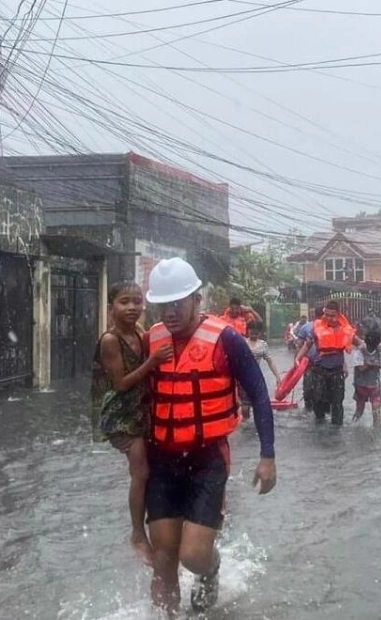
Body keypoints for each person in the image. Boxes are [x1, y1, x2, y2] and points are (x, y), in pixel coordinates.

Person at [144, 258, 276, 616]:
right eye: (163, 305)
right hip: (163, 459)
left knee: (193, 555)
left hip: (207, 458)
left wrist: (267, 456)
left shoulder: (226, 339)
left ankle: (212, 569)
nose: (170, 313)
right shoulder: (152, 338)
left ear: (196, 300)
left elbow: (260, 394)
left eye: (177, 303)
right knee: (164, 556)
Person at [91, 281, 174, 565]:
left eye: (137, 302)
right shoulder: (110, 340)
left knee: (150, 470)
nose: (132, 308)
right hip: (120, 415)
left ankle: (158, 521)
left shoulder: (140, 333)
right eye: (124, 302)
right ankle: (137, 534)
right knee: (140, 470)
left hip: (141, 411)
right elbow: (121, 382)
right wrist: (152, 362)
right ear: (110, 306)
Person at [295, 300, 358, 425]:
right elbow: (307, 345)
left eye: (332, 316)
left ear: (338, 314)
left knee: (337, 403)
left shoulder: (345, 330)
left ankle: (336, 434)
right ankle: (320, 433)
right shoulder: (316, 328)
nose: (329, 318)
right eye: (327, 315)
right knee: (318, 402)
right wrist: (298, 358)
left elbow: (359, 343)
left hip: (337, 371)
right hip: (319, 370)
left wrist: (374, 349)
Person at [240, 320, 281, 419]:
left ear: (260, 333)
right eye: (251, 333)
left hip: (256, 378)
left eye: (256, 333)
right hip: (243, 378)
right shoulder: (242, 343)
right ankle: (245, 425)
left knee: (258, 404)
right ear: (247, 331)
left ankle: (256, 426)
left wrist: (277, 376)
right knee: (245, 406)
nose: (254, 335)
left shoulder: (263, 345)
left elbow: (270, 361)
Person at [352, 330, 381, 427]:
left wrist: (377, 364)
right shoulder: (359, 352)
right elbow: (360, 368)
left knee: (376, 411)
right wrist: (372, 364)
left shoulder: (378, 352)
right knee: (359, 410)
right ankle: (354, 427)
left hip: (373, 386)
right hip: (361, 386)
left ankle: (377, 434)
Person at [297, 307, 323, 412]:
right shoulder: (306, 327)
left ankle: (309, 409)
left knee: (310, 388)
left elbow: (299, 345)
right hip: (313, 363)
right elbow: (300, 345)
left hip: (315, 363)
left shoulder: (305, 327)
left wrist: (298, 358)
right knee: (314, 388)